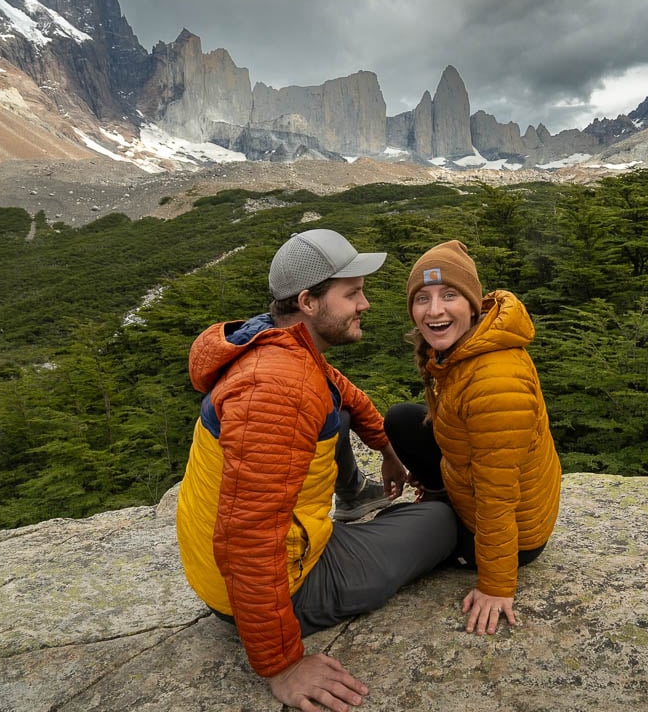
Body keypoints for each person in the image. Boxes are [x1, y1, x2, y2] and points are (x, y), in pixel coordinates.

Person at [176, 228, 457, 712]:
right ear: (308, 301)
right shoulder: (276, 392)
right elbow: (248, 537)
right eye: (352, 294)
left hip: (240, 561)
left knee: (335, 411)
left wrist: (387, 449)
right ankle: (372, 528)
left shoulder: (275, 341)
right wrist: (282, 664)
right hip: (272, 587)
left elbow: (342, 394)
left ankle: (354, 499)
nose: (364, 304)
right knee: (445, 521)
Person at [385, 239, 562, 637]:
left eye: (449, 296)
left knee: (397, 527)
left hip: (516, 535)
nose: (434, 311)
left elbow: (498, 494)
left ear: (473, 304)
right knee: (402, 419)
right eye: (422, 298)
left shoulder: (495, 381)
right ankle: (439, 494)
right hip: (472, 482)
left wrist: (496, 585)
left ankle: (445, 513)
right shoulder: (468, 347)